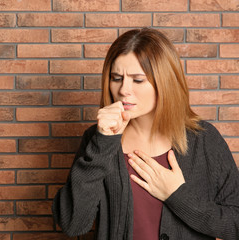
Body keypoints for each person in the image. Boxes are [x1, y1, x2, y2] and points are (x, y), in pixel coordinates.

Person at [52, 28, 239, 240]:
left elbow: (235, 223)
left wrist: (177, 196)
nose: (123, 90)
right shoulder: (98, 140)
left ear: (164, 81)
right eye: (116, 78)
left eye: (138, 80)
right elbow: (72, 224)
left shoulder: (204, 140)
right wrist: (103, 143)